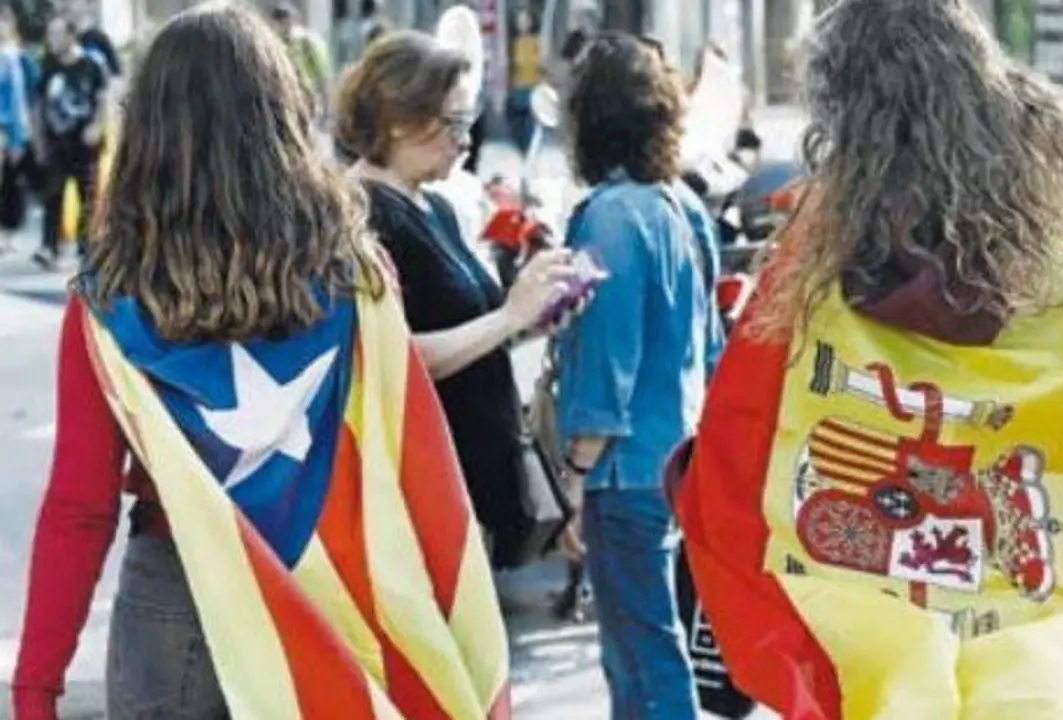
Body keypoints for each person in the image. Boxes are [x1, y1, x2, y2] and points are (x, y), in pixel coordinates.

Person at [669, 0, 1063, 717]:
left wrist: (691, 488)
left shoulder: (814, 265)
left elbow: (746, 436)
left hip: (869, 631)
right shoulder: (1057, 262)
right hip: (1034, 632)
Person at [13, 6, 508, 719]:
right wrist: (466, 652)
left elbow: (78, 508)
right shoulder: (358, 279)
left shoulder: (107, 301)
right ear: (282, 119)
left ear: (147, 134)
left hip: (176, 601)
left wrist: (36, 688)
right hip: (330, 583)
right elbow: (418, 465)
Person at [336, 30, 581, 569]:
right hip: (421, 489)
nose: (466, 143)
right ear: (400, 120)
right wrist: (511, 316)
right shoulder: (361, 215)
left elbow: (478, 323)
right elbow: (392, 357)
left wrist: (538, 312)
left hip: (473, 480)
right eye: (454, 124)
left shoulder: (435, 208)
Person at [556, 32, 724, 719]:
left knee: (640, 654)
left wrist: (572, 475)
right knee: (651, 644)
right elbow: (710, 344)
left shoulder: (609, 216)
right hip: (678, 453)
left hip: (624, 471)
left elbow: (606, 365)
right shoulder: (682, 206)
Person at [31, 15, 107, 268]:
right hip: (56, 144)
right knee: (52, 195)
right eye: (50, 34)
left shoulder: (91, 65)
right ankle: (49, 247)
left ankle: (86, 248)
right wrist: (39, 140)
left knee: (87, 196)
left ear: (70, 36)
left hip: (84, 144)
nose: (51, 40)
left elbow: (103, 98)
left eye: (57, 34)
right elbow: (38, 106)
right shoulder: (48, 66)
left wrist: (97, 125)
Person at [0, 4, 31, 252]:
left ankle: (6, 235)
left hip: (4, 130)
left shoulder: (10, 59)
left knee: (7, 183)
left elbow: (17, 100)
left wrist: (17, 140)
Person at [269, 1, 332, 116]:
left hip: (306, 100)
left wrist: (325, 104)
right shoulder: (272, 46)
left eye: (286, 21)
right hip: (283, 101)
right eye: (279, 23)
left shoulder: (305, 44)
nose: (283, 27)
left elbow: (321, 77)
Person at [505, 7, 539, 153]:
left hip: (533, 86)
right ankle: (521, 146)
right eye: (520, 21)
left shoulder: (536, 42)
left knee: (530, 122)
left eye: (525, 20)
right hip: (518, 86)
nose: (523, 24)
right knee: (517, 120)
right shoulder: (514, 43)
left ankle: (528, 148)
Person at [65, 0, 120, 77]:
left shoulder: (99, 38)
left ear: (87, 5)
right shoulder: (62, 37)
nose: (75, 7)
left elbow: (115, 73)